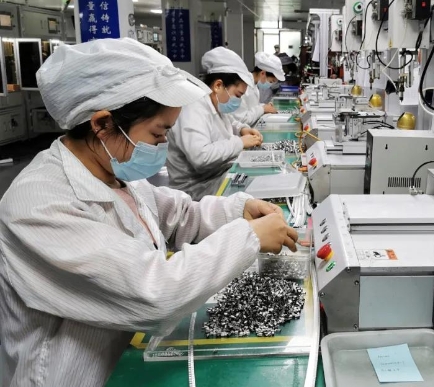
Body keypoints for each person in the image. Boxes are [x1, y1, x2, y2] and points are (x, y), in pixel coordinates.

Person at [0, 38, 298, 387]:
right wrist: (247, 238)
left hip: (125, 354)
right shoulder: (38, 206)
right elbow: (154, 292)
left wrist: (238, 209)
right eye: (159, 133)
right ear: (102, 124)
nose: (164, 145)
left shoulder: (112, 169)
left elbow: (178, 216)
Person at [167, 47, 263, 201]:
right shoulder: (192, 108)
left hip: (215, 176)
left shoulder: (213, 101)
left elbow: (227, 121)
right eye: (238, 95)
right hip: (195, 190)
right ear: (218, 85)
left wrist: (242, 129)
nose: (238, 101)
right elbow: (201, 157)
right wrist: (240, 142)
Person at [232, 52, 285, 125]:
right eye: (271, 81)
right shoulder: (244, 87)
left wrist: (265, 106)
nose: (270, 84)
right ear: (262, 73)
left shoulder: (254, 85)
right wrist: (263, 109)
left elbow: (252, 107)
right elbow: (243, 119)